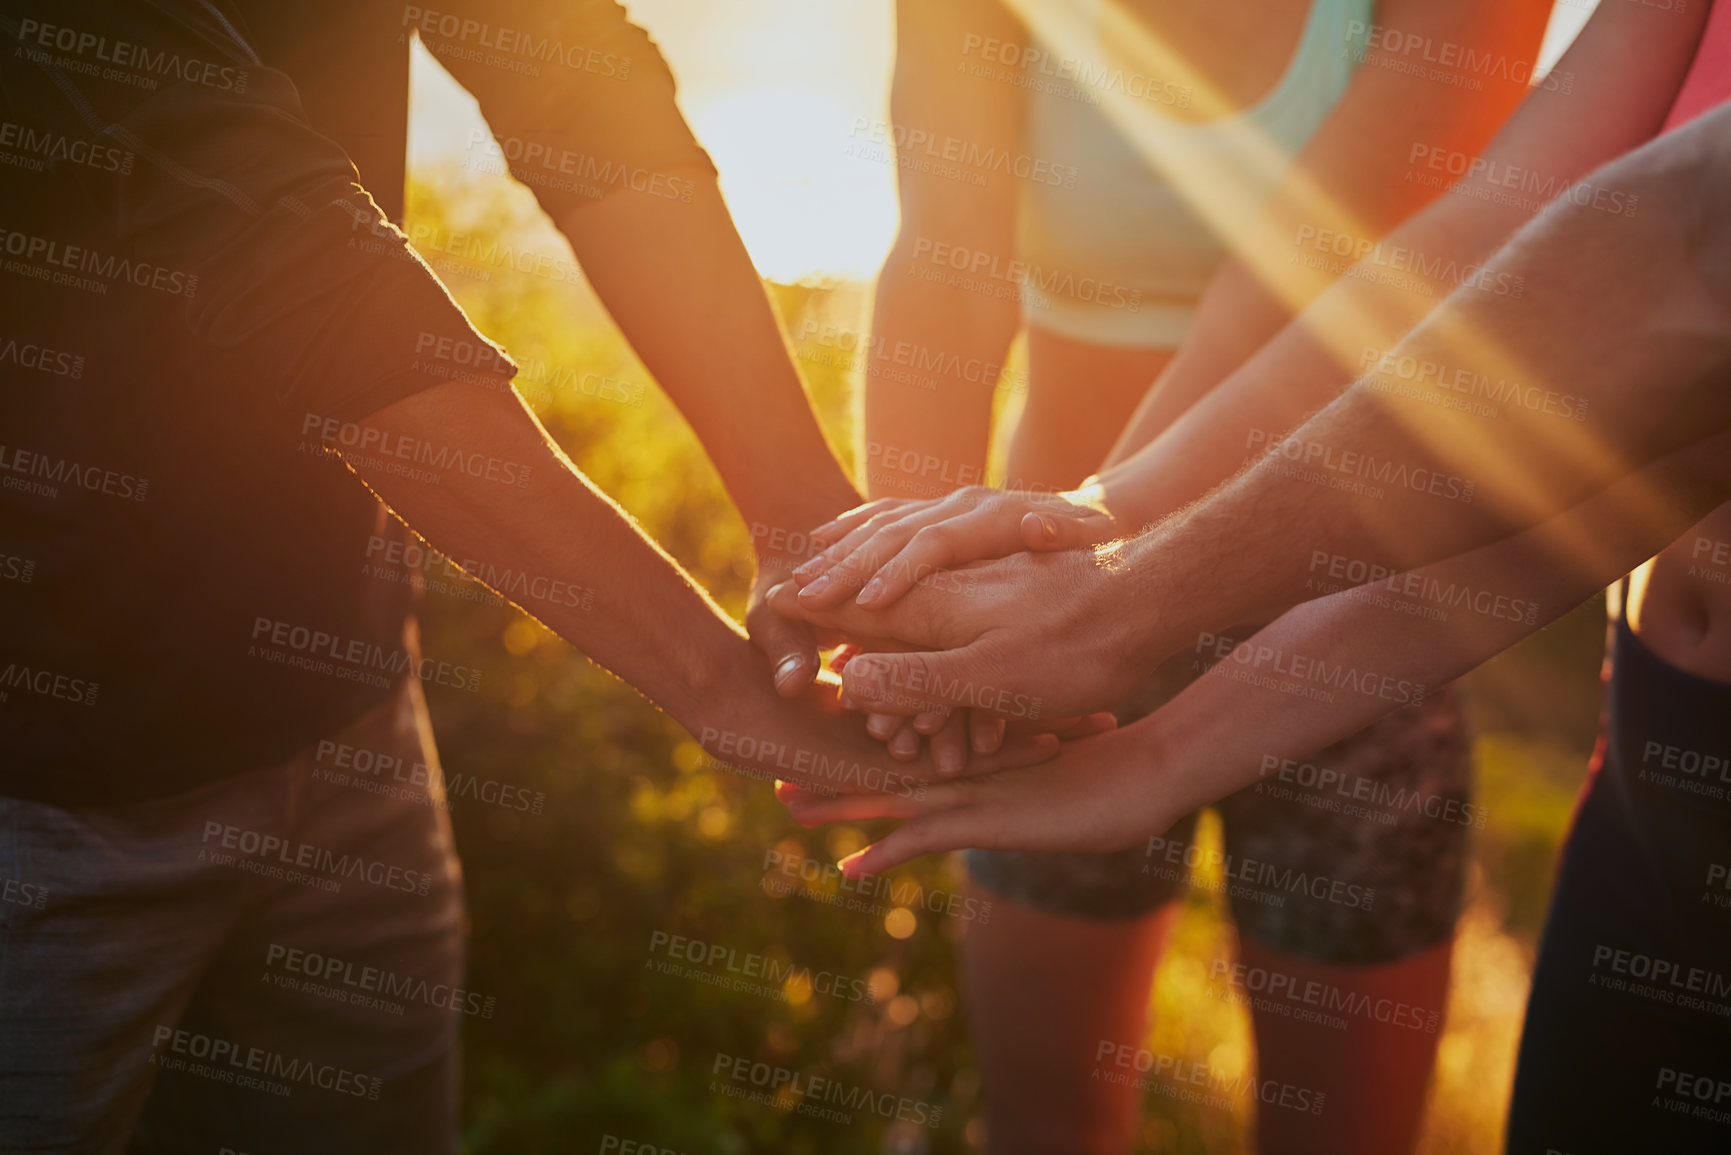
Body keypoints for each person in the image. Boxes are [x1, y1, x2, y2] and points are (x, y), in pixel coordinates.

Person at [0, 2, 1061, 1149]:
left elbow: (571, 80)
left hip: (346, 703)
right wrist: (716, 683)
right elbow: (279, 251)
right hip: (40, 790)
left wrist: (806, 520)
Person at [777, 3, 1731, 1147]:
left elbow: (1356, 270)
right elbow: (1512, 283)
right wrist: (937, 602)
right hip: (1099, 604)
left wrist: (1104, 556)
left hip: (1294, 582)